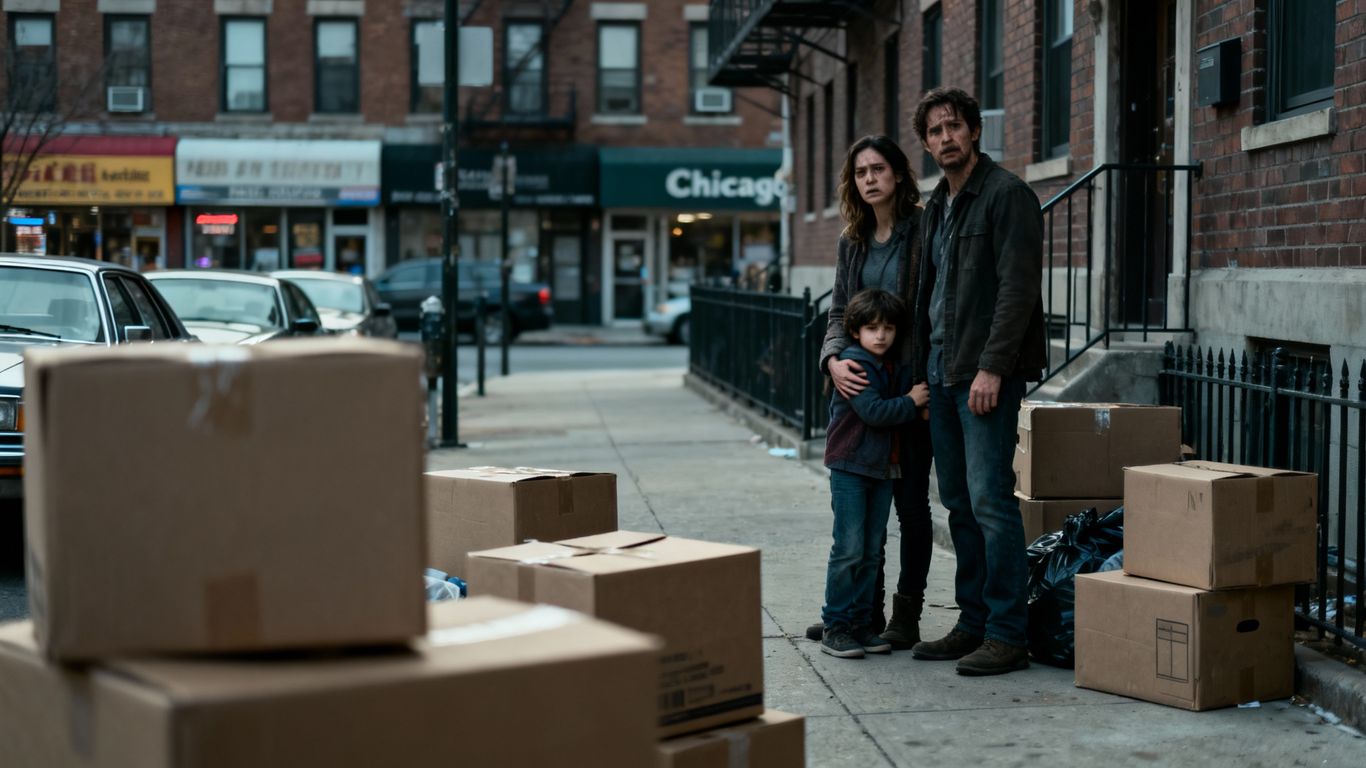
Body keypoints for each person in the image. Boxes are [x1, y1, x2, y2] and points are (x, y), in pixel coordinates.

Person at [908, 86, 1046, 676]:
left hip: (981, 373)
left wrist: (992, 367)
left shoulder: (1007, 195)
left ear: (974, 131)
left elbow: (1017, 290)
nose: (945, 139)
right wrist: (920, 375)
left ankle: (1007, 632)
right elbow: (929, 296)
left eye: (953, 127)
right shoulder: (937, 205)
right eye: (935, 132)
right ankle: (972, 622)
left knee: (992, 502)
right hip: (939, 371)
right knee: (957, 502)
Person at [805, 135, 934, 652]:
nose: (870, 179)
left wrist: (923, 391)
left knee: (911, 509)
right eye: (860, 172)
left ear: (898, 174)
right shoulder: (852, 239)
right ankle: (861, 616)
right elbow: (839, 312)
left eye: (879, 169)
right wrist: (833, 359)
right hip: (865, 388)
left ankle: (905, 617)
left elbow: (932, 311)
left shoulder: (922, 230)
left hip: (912, 387)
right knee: (867, 522)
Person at [818, 288, 930, 658]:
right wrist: (912, 403)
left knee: (870, 551)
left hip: (883, 469)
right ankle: (836, 625)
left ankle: (863, 625)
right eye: (871, 328)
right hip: (850, 466)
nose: (880, 335)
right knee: (848, 549)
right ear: (855, 331)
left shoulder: (891, 365)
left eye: (887, 328)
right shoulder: (855, 364)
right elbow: (875, 412)